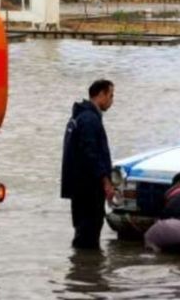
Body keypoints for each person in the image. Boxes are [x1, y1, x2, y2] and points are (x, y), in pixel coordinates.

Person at [61, 80, 116, 249]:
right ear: (101, 95)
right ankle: (88, 271)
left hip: (79, 187)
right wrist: (105, 181)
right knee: (89, 233)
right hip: (88, 188)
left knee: (82, 231)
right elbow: (90, 154)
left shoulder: (79, 116)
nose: (112, 100)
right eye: (111, 95)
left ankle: (81, 268)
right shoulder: (90, 120)